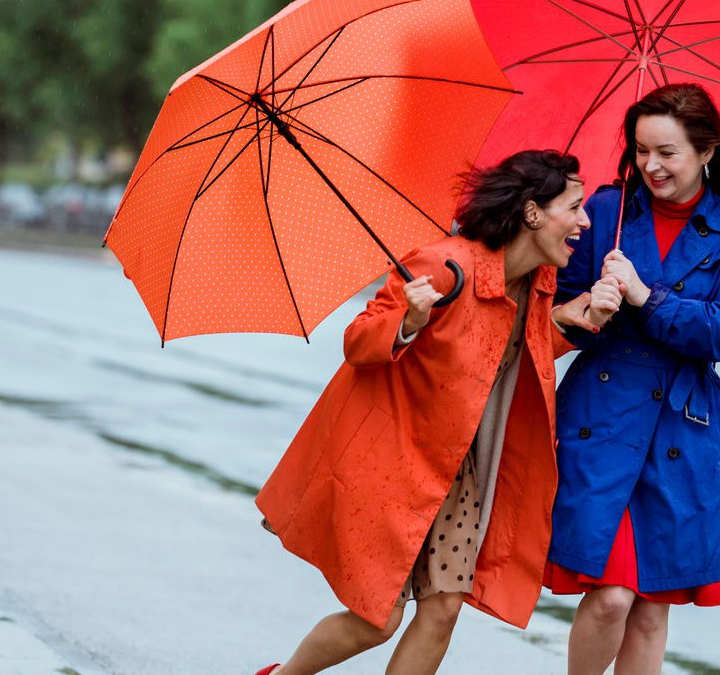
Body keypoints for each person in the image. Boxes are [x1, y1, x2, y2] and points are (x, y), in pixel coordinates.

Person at [253, 150, 626, 675]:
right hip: (399, 463)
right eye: (575, 206)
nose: (585, 221)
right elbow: (358, 342)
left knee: (444, 607)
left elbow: (519, 348)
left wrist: (580, 316)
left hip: (465, 470)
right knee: (376, 619)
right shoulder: (444, 265)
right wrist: (408, 318)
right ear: (533, 212)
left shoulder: (536, 282)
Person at [546, 84, 720, 675]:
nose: (651, 166)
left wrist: (647, 297)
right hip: (602, 418)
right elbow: (556, 310)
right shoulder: (606, 210)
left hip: (684, 428)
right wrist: (591, 309)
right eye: (641, 150)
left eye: (666, 152)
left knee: (650, 605)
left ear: (706, 151)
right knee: (611, 595)